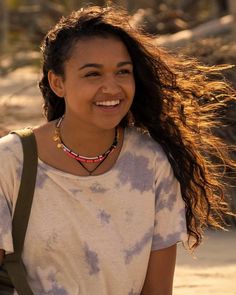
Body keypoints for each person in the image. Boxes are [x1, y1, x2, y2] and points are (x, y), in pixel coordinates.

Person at [0, 5, 235, 295]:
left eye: (123, 72)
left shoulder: (150, 163)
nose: (112, 87)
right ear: (57, 82)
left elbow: (158, 290)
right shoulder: (11, 161)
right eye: (92, 75)